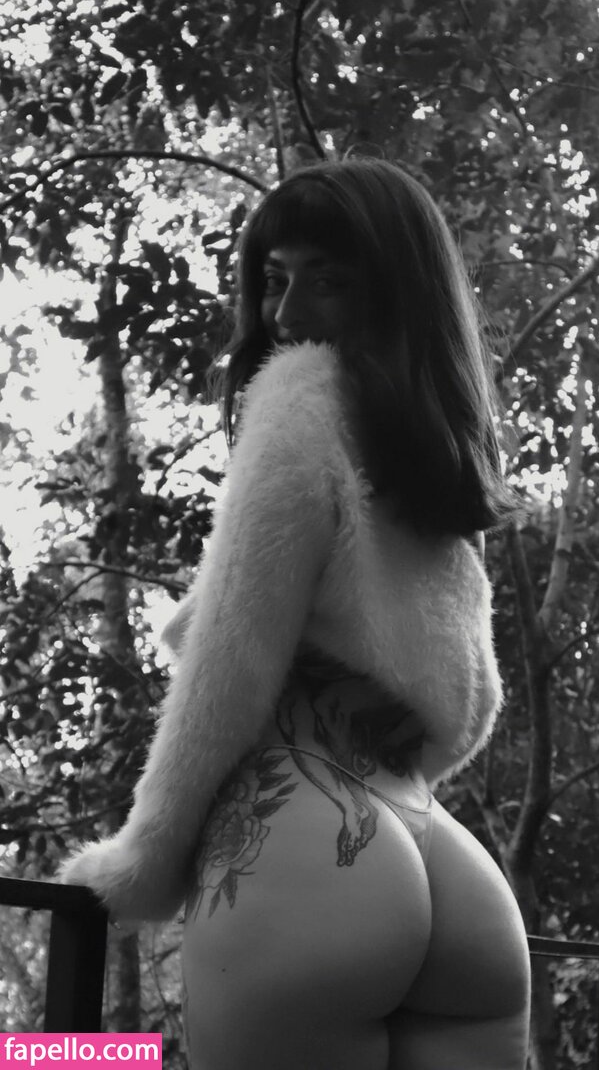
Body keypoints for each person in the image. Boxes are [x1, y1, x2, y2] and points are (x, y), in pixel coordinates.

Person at [62, 158, 531, 1069]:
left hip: (310, 850)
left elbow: (232, 654)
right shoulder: (436, 450)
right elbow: (470, 703)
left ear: (392, 291)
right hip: (452, 869)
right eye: (275, 280)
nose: (285, 315)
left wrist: (145, 857)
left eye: (328, 281)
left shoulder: (299, 396)